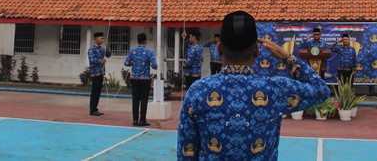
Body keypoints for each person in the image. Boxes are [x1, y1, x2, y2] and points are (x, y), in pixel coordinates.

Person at [177, 11, 329, 160]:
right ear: (257, 51)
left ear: (219, 49)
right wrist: (286, 56)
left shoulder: (198, 91)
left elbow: (186, 153)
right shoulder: (275, 89)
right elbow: (321, 90)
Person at [124, 33, 158, 126]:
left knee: (135, 99)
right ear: (146, 41)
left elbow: (126, 63)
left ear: (137, 41)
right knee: (144, 100)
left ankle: (135, 120)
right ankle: (142, 120)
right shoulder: (149, 52)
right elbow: (154, 66)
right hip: (145, 79)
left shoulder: (132, 51)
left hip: (134, 78)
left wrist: (134, 63)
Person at [88, 31, 111, 116]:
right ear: (96, 39)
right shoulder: (92, 49)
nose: (102, 40)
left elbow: (108, 55)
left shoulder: (101, 49)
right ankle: (92, 109)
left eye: (102, 38)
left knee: (98, 92)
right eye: (101, 38)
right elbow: (92, 59)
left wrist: (107, 46)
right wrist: (101, 61)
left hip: (101, 72)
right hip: (95, 73)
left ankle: (95, 109)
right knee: (94, 91)